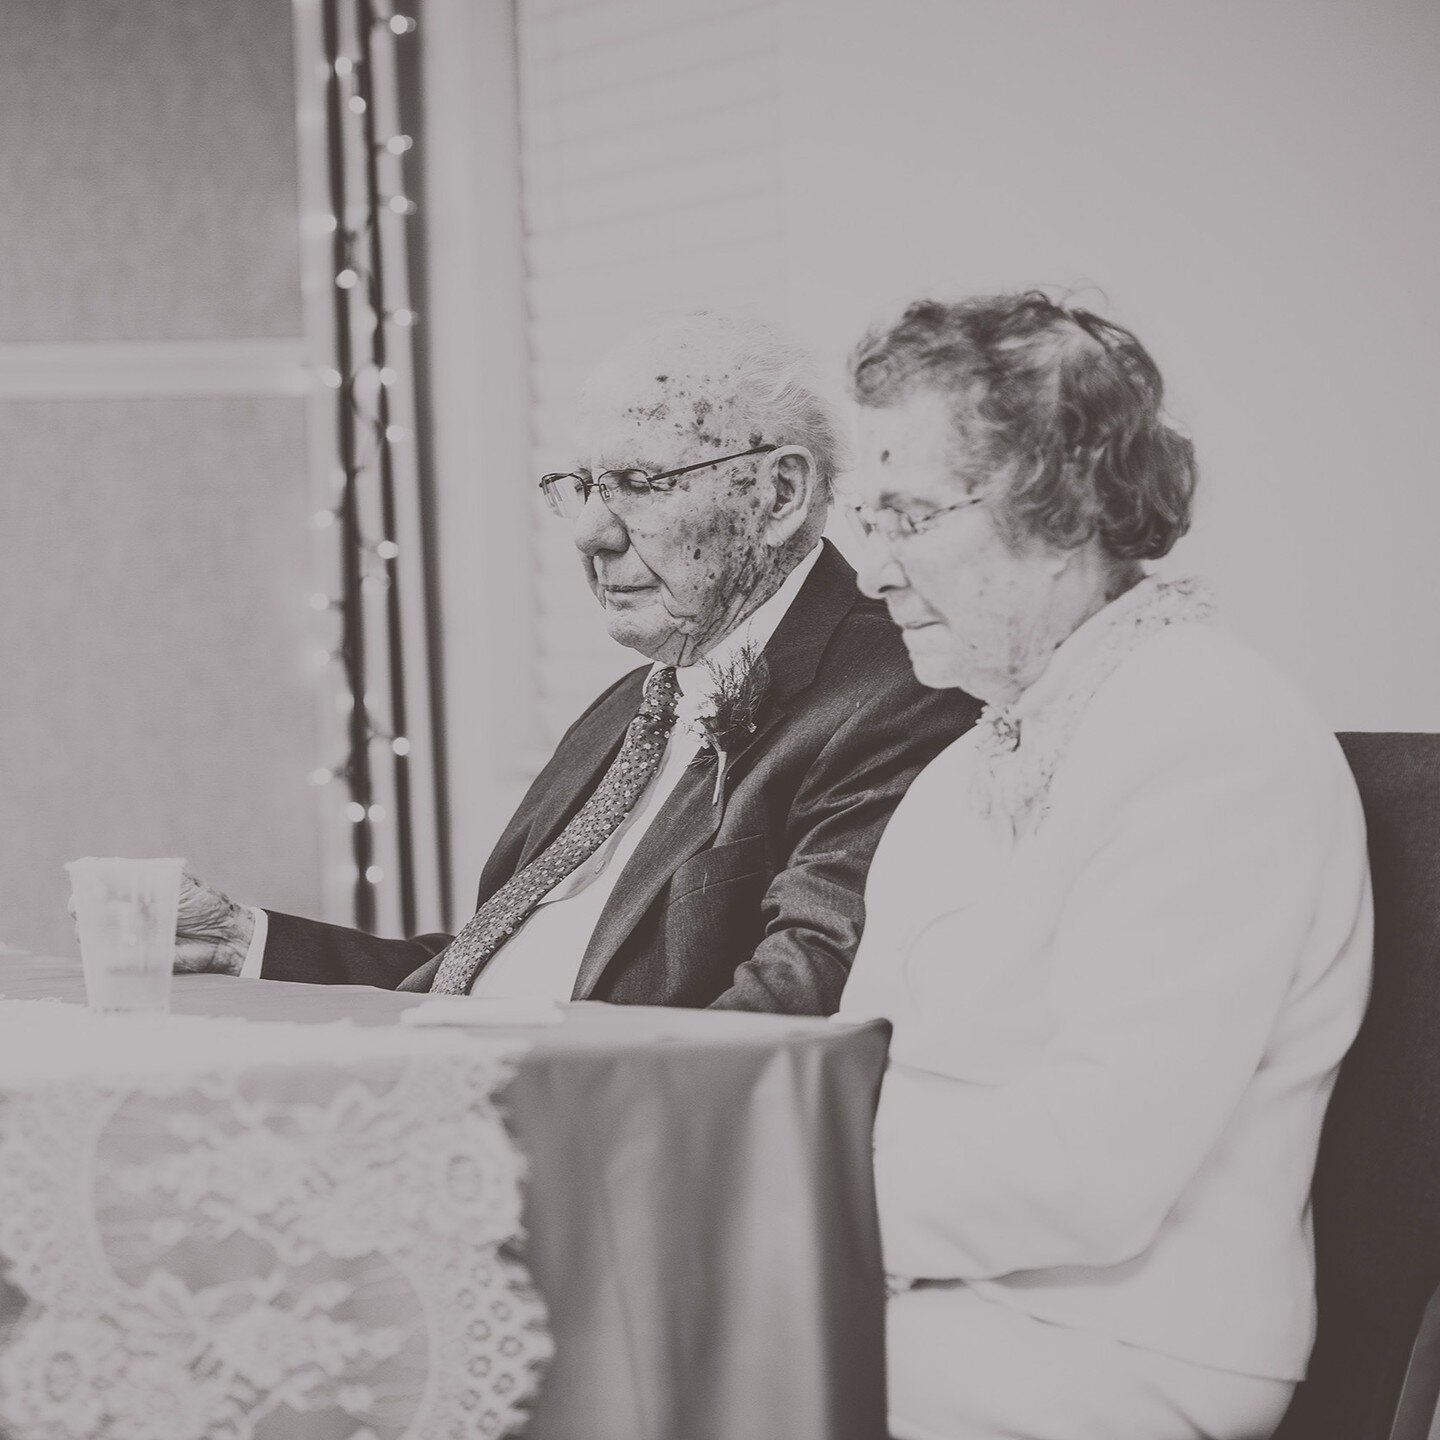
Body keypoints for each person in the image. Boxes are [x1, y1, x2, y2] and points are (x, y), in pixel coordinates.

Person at [835, 293, 1372, 1438]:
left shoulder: (1212, 733)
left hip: (1125, 1346)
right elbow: (865, 1075)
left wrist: (787, 1208)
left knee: (634, 1368)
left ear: (1064, 507)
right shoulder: (965, 763)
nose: (873, 570)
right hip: (931, 1298)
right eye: (867, 517)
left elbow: (1092, 1168)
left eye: (912, 516)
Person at [173, 311, 979, 1011]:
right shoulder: (628, 706)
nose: (590, 532)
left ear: (779, 495)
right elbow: (486, 975)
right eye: (583, 486)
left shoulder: (899, 693)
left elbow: (794, 1009)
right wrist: (248, 942)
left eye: (638, 481)